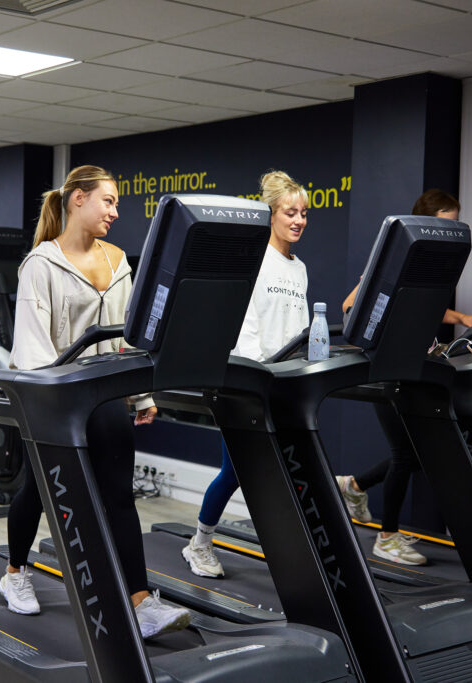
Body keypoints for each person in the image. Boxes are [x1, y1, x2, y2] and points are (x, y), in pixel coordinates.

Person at [0, 164, 190, 639]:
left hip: (104, 395)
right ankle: (15, 573)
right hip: (53, 399)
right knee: (38, 492)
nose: (115, 211)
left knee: (120, 497)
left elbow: (129, 337)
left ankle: (141, 600)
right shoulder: (40, 264)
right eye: (108, 201)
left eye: (117, 203)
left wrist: (142, 394)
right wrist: (52, 401)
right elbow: (31, 347)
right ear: (77, 199)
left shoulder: (118, 261)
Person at [335, 189, 472, 566]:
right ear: (427, 223)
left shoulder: (435, 265)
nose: (451, 234)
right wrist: (386, 333)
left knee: (419, 453)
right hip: (391, 367)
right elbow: (351, 305)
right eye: (446, 225)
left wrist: (462, 319)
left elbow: (429, 307)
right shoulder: (395, 258)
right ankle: (387, 537)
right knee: (407, 453)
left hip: (420, 366)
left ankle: (355, 485)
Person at [182, 170, 310, 579]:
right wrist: (256, 379)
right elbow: (245, 325)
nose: (299, 220)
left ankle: (288, 548)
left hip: (285, 384)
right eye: (291, 212)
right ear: (271, 214)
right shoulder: (255, 260)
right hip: (247, 382)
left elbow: (301, 328)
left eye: (304, 213)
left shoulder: (299, 268)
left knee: (284, 471)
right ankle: (199, 544)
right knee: (235, 471)